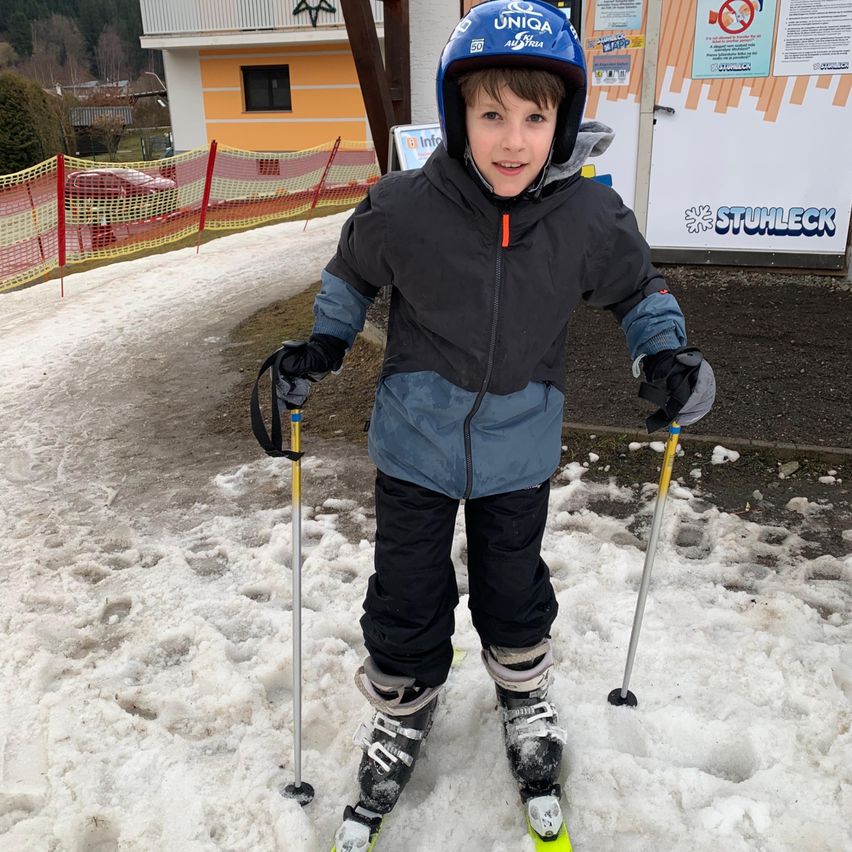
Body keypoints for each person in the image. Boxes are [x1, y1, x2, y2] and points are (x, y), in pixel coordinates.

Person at [268, 1, 715, 846]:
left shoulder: (589, 218)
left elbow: (640, 290)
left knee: (514, 586)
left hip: (519, 447)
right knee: (405, 593)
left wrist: (665, 357)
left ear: (563, 121)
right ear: (456, 117)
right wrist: (321, 345)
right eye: (491, 115)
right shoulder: (403, 207)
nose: (512, 139)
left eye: (534, 118)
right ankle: (403, 708)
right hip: (414, 443)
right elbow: (349, 274)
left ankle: (522, 690)